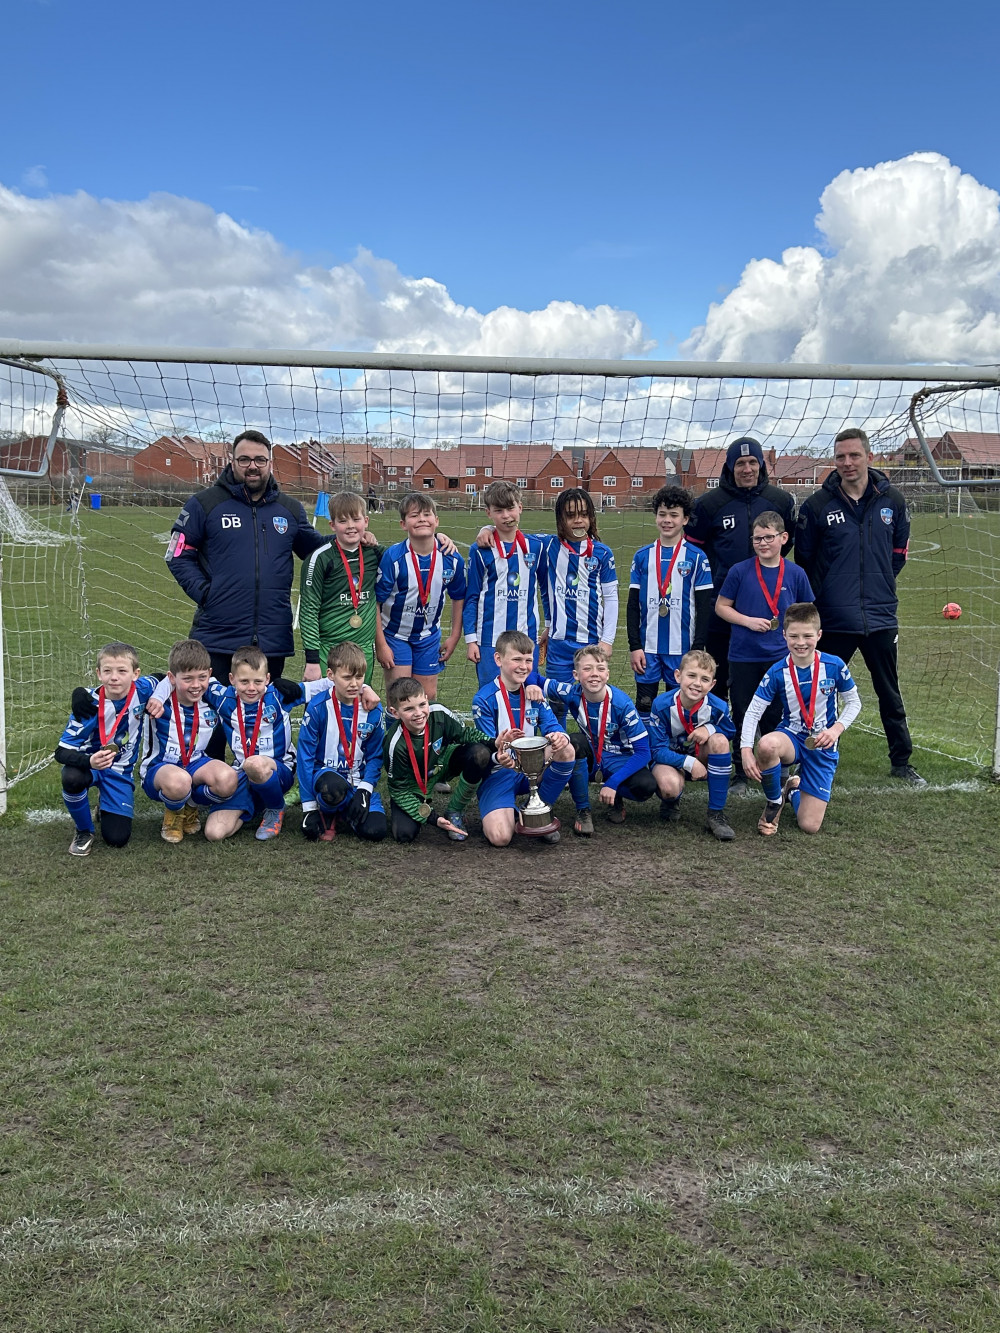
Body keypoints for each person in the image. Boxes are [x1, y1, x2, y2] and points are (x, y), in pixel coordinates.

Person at [794, 427, 925, 785]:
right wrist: (830, 595)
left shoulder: (893, 501)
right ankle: (810, 755)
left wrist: (878, 585)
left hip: (881, 615)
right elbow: (805, 561)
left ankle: (901, 761)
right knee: (819, 689)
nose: (847, 463)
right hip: (834, 617)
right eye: (840, 457)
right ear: (834, 461)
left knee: (889, 691)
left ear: (869, 456)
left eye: (854, 455)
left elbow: (898, 555)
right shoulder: (818, 505)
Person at [165, 429, 327, 695]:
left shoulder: (289, 509)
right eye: (244, 459)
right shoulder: (203, 504)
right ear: (233, 461)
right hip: (218, 636)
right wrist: (208, 594)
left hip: (271, 637)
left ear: (269, 463)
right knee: (212, 725)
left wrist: (351, 539)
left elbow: (316, 549)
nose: (252, 466)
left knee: (262, 721)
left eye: (260, 460)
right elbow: (177, 555)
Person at [686, 436, 797, 701]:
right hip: (722, 607)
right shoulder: (709, 504)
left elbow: (787, 542)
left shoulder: (780, 501)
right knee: (717, 676)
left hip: (768, 608)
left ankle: (766, 732)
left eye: (752, 462)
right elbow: (693, 554)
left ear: (760, 464)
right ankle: (719, 732)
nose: (747, 469)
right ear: (729, 467)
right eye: (740, 463)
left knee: (769, 678)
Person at [714, 510, 815, 793]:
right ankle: (740, 774)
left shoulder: (795, 574)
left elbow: (807, 612)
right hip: (744, 655)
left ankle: (778, 768)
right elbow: (721, 607)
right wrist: (747, 621)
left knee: (777, 714)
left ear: (783, 538)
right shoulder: (740, 571)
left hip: (781, 657)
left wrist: (800, 642)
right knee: (744, 713)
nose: (763, 543)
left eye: (769, 537)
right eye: (757, 538)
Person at [740, 602, 862, 836]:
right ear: (784, 635)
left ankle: (793, 789)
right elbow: (754, 711)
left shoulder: (834, 665)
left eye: (807, 635)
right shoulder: (777, 672)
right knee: (766, 745)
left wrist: (836, 730)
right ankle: (775, 802)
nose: (800, 642)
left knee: (809, 826)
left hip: (823, 742)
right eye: (794, 636)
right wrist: (746, 749)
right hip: (792, 736)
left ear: (819, 635)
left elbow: (854, 702)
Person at [471, 630, 577, 846]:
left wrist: (559, 737)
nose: (523, 666)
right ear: (498, 659)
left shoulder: (534, 694)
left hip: (531, 766)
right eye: (517, 659)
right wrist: (499, 754)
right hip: (499, 772)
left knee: (566, 749)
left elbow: (554, 727)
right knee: (500, 838)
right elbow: (486, 747)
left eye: (528, 660)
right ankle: (505, 808)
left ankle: (537, 811)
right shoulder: (484, 699)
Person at [533, 644, 656, 830]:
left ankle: (616, 797)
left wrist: (613, 783)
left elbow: (644, 752)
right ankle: (583, 810)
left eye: (600, 668)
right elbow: (534, 677)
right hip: (590, 755)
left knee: (646, 786)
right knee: (574, 743)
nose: (594, 674)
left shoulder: (622, 704)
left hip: (619, 758)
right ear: (576, 675)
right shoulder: (572, 692)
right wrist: (533, 686)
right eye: (587, 668)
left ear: (607, 674)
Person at [56, 641, 161, 856]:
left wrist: (158, 697)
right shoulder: (87, 704)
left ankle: (105, 807)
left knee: (117, 839)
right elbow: (61, 752)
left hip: (120, 772)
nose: (114, 677)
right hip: (90, 766)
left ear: (135, 674)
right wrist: (89, 761)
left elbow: (162, 678)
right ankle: (84, 830)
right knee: (72, 777)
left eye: (122, 671)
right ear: (98, 673)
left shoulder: (142, 689)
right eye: (107, 671)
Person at [138, 639, 244, 843]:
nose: (196, 685)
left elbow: (246, 691)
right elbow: (131, 686)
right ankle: (174, 814)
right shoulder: (156, 699)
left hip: (195, 762)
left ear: (210, 674)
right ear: (171, 678)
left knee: (228, 779)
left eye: (202, 677)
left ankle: (191, 805)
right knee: (179, 781)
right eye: (187, 679)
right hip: (159, 769)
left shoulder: (212, 698)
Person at [627, 485, 714, 720]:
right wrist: (635, 646)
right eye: (662, 514)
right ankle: (646, 753)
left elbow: (705, 607)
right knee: (645, 703)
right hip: (648, 648)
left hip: (682, 648)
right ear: (655, 517)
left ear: (685, 519)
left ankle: (675, 752)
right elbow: (633, 605)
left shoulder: (697, 557)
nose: (667, 520)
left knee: (678, 707)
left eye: (674, 515)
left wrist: (697, 648)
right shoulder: (642, 556)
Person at [376, 492, 466, 702]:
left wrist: (454, 636)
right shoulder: (393, 557)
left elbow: (458, 597)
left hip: (428, 637)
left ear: (437, 521)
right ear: (403, 524)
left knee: (427, 696)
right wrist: (381, 644)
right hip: (395, 636)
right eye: (414, 515)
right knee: (400, 696)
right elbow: (376, 602)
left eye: (427, 514)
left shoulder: (452, 559)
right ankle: (394, 735)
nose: (422, 519)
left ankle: (423, 736)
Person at [383, 677, 497, 843]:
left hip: (442, 763)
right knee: (404, 834)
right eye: (408, 709)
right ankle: (424, 808)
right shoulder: (394, 744)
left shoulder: (439, 713)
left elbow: (465, 734)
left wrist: (494, 742)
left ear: (427, 700)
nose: (418, 713)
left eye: (422, 704)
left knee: (480, 753)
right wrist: (433, 818)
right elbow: (398, 790)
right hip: (414, 785)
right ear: (395, 712)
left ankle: (454, 811)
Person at [297, 641, 388, 843]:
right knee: (333, 787)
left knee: (376, 831)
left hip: (357, 781)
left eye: (359, 677)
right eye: (347, 678)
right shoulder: (318, 706)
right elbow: (305, 758)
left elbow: (375, 756)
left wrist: (365, 789)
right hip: (327, 777)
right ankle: (326, 811)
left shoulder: (373, 710)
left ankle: (348, 812)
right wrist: (308, 807)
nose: (354, 684)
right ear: (331, 675)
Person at [464, 481, 548, 686]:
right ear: (488, 513)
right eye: (498, 511)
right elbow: (472, 597)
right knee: (491, 697)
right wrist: (471, 640)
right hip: (489, 641)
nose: (506, 516)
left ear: (520, 507)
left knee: (526, 697)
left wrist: (549, 627)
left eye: (510, 508)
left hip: (526, 639)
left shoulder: (537, 547)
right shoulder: (480, 550)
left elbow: (546, 591)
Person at [648, 649, 737, 840]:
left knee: (720, 741)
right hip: (671, 761)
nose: (697, 683)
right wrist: (689, 763)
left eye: (705, 679)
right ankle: (671, 800)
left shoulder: (718, 707)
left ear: (712, 684)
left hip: (702, 758)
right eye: (691, 676)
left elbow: (730, 731)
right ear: (678, 676)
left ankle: (716, 814)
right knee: (669, 785)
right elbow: (656, 750)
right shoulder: (661, 705)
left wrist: (710, 730)